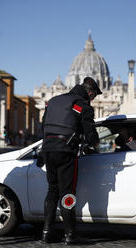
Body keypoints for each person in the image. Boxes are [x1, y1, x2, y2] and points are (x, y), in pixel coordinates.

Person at [40, 77, 101, 245]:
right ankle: (70, 235)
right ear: (90, 92)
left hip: (48, 150)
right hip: (66, 152)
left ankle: (46, 232)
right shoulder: (82, 105)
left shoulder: (53, 101)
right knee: (68, 192)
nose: (93, 99)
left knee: (52, 190)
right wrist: (95, 145)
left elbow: (43, 126)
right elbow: (90, 132)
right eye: (94, 96)